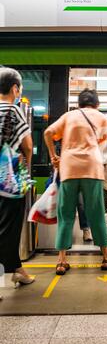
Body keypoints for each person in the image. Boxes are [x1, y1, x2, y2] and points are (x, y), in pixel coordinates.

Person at [44, 88, 107, 275]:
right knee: (96, 213)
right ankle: (106, 258)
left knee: (66, 214)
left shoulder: (69, 116)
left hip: (68, 168)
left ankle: (61, 261)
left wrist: (54, 156)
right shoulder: (101, 117)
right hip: (92, 169)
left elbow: (47, 133)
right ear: (97, 104)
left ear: (79, 103)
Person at [0, 67, 34, 287]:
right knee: (8, 227)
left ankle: (17, 269)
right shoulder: (13, 110)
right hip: (8, 180)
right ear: (15, 88)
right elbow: (28, 145)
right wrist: (27, 171)